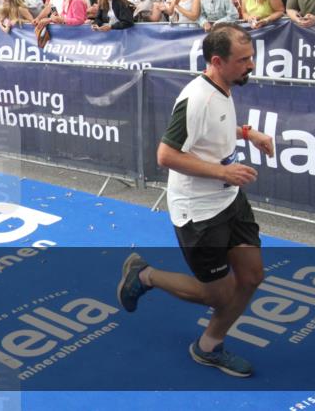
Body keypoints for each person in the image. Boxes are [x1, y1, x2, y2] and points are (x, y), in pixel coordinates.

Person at [117, 23, 275, 378]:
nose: (251, 65)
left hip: (229, 201)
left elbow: (212, 130)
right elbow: (165, 156)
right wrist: (224, 173)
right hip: (199, 213)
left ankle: (208, 347)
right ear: (217, 61)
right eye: (243, 60)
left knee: (251, 277)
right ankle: (145, 276)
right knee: (217, 295)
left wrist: (248, 133)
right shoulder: (197, 97)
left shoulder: (223, 86)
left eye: (252, 57)